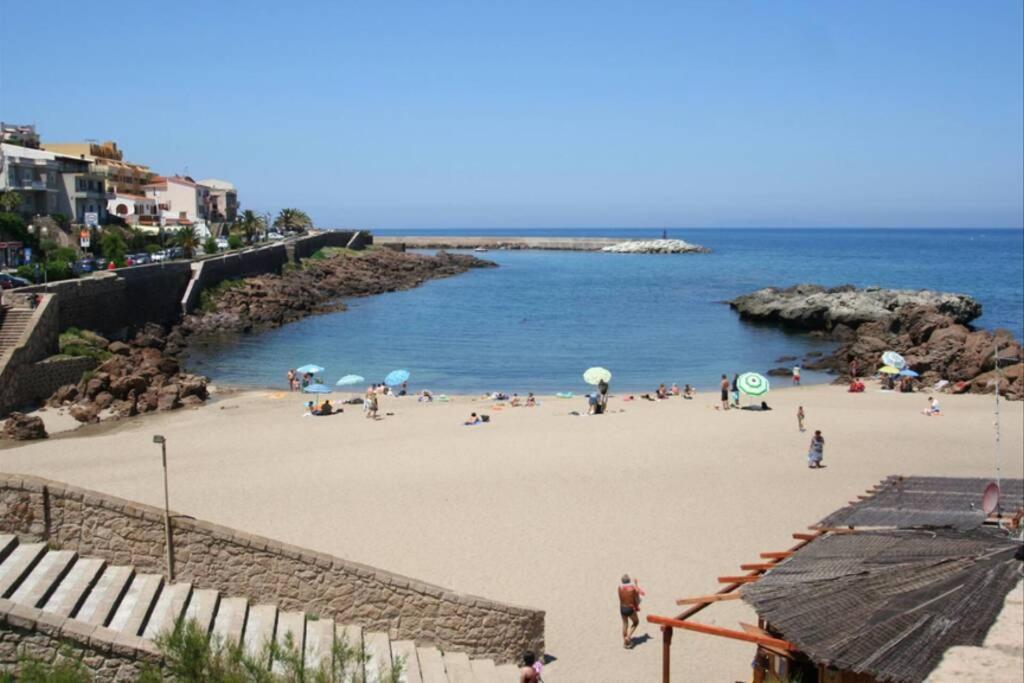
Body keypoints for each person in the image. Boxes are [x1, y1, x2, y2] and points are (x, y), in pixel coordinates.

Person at [618, 574, 641, 649]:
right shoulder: (632, 589)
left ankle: (625, 643)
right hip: (630, 608)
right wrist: (636, 583)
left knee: (625, 624)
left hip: (622, 608)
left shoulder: (619, 588)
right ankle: (628, 637)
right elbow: (637, 592)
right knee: (636, 622)